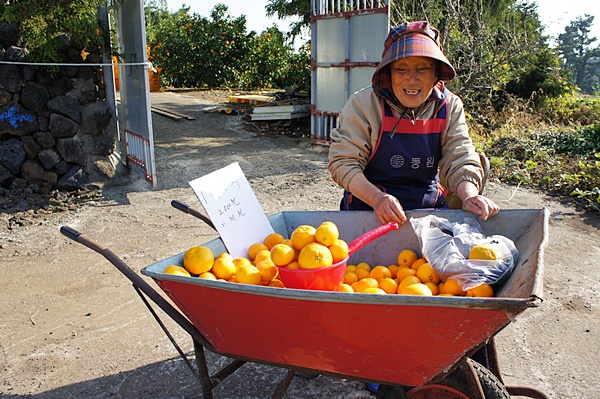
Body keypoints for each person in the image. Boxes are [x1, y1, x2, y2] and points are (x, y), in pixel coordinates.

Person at [328, 21, 499, 226]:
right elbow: (343, 163)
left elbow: (460, 156)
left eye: (422, 69)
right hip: (367, 208)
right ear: (388, 74)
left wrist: (469, 196)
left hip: (428, 210)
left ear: (436, 74)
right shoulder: (364, 104)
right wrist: (377, 199)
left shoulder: (449, 105)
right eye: (401, 69)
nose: (411, 79)